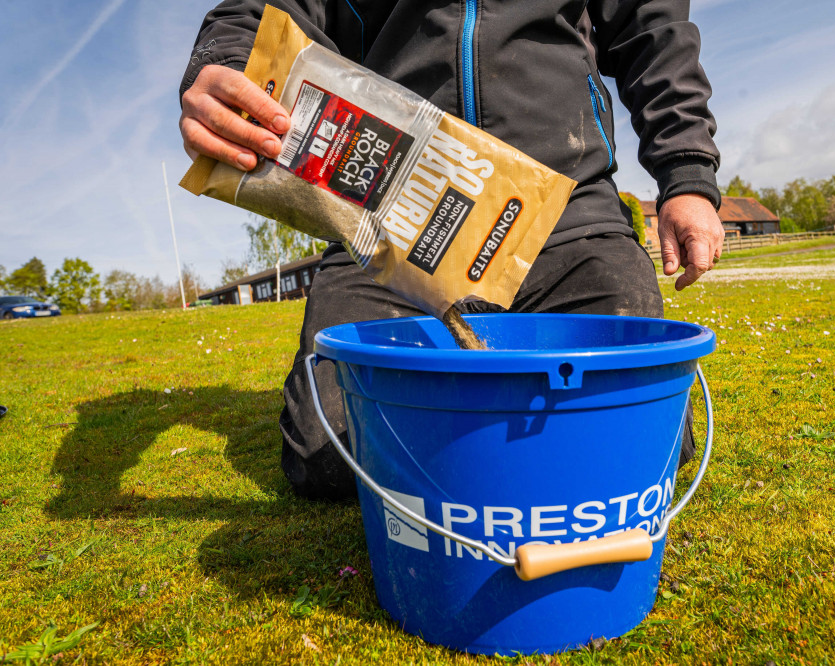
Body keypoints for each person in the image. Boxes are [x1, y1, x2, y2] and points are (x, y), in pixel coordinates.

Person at [179, 0, 724, 502]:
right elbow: (259, 10)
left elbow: (651, 24)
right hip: (387, 225)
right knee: (330, 454)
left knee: (642, 438)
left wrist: (687, 171)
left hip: (565, 213)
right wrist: (225, 62)